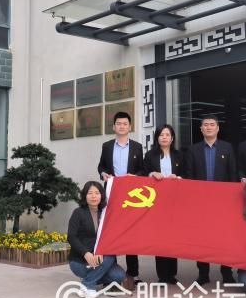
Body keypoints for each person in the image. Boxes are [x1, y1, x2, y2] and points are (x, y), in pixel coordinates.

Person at [184, 114, 237, 285]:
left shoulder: (227, 148)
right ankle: (203, 273)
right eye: (205, 125)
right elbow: (189, 176)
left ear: (218, 128)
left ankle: (227, 272)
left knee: (224, 237)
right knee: (202, 237)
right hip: (201, 202)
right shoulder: (193, 150)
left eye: (212, 124)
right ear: (201, 129)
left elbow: (233, 174)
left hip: (223, 202)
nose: (208, 127)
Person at [97, 111, 145, 287]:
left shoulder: (137, 147)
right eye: (119, 123)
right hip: (112, 194)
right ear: (114, 127)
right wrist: (103, 173)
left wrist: (135, 176)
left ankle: (134, 273)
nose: (122, 126)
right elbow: (101, 166)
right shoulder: (107, 146)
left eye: (125, 124)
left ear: (130, 127)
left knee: (131, 233)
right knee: (112, 231)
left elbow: (143, 169)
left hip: (131, 195)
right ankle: (112, 272)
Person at [67, 181, 128, 298]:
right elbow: (71, 236)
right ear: (85, 195)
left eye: (97, 193)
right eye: (90, 193)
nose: (93, 196)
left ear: (101, 195)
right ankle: (89, 286)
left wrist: (101, 251)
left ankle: (86, 283)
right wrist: (86, 253)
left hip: (101, 260)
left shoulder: (106, 213)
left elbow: (111, 237)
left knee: (119, 275)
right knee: (106, 263)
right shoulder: (78, 212)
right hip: (81, 261)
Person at [143, 124, 185, 284]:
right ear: (157, 138)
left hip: (174, 202)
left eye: (167, 135)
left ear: (172, 138)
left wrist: (178, 178)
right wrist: (152, 173)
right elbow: (143, 173)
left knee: (172, 237)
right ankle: (162, 275)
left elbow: (186, 174)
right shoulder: (150, 155)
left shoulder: (179, 155)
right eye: (161, 135)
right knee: (159, 237)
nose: (164, 137)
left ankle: (172, 274)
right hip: (156, 202)